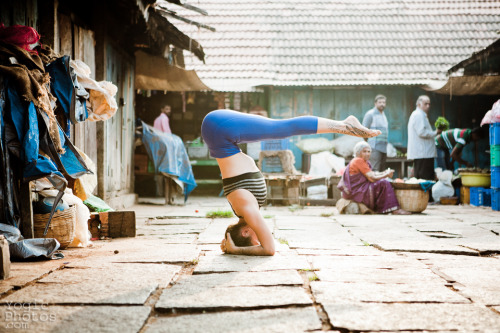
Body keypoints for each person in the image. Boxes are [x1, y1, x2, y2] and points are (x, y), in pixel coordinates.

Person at [201, 109, 381, 256]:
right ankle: (344, 125)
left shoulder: (245, 208)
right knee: (279, 129)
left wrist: (236, 250)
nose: (262, 236)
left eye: (256, 240)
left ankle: (344, 125)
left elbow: (269, 249)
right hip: (222, 135)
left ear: (245, 232)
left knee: (281, 128)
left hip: (218, 130)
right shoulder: (244, 208)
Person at [338, 141, 410, 215]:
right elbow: (372, 178)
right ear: (358, 152)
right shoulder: (358, 160)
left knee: (384, 181)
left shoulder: (363, 161)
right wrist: (386, 175)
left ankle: (386, 208)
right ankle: (394, 210)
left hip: (359, 188)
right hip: (356, 191)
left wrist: (384, 173)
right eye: (364, 151)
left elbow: (372, 174)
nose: (367, 154)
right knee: (384, 183)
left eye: (369, 152)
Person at [407, 95, 440, 180]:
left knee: (421, 178)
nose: (428, 106)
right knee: (425, 179)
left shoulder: (419, 114)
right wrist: (435, 132)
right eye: (425, 104)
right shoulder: (419, 115)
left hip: (422, 153)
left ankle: (424, 193)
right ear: (419, 104)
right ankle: (426, 194)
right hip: (424, 153)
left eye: (429, 104)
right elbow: (421, 132)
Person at [362, 94, 389, 171]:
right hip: (374, 147)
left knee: (382, 170)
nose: (382, 104)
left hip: (383, 147)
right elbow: (364, 130)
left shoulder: (383, 115)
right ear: (375, 103)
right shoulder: (370, 114)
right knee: (374, 169)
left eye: (384, 102)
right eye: (380, 102)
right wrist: (368, 144)